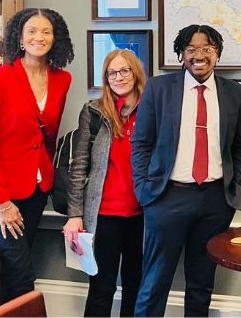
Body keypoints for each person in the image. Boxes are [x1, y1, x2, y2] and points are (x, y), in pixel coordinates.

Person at [131, 24, 241, 317]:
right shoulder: (159, 88)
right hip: (167, 198)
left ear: (217, 54)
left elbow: (238, 146)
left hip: (215, 201)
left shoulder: (234, 92)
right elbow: (141, 143)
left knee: (201, 284)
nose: (199, 55)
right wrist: (144, 191)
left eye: (207, 48)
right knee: (154, 283)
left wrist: (235, 189)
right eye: (191, 49)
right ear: (181, 54)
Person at [0, 8, 74, 302]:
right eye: (32, 31)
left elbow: (48, 136)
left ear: (55, 38)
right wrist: (3, 202)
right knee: (21, 272)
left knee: (16, 265)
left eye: (46, 31)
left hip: (36, 188)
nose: (39, 37)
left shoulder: (62, 79)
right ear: (19, 36)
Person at [64, 49, 147, 317]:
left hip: (143, 215)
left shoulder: (152, 109)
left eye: (124, 71)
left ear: (135, 73)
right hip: (104, 215)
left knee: (136, 286)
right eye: (112, 73)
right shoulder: (94, 112)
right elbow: (79, 166)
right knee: (102, 287)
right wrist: (75, 214)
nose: (118, 77)